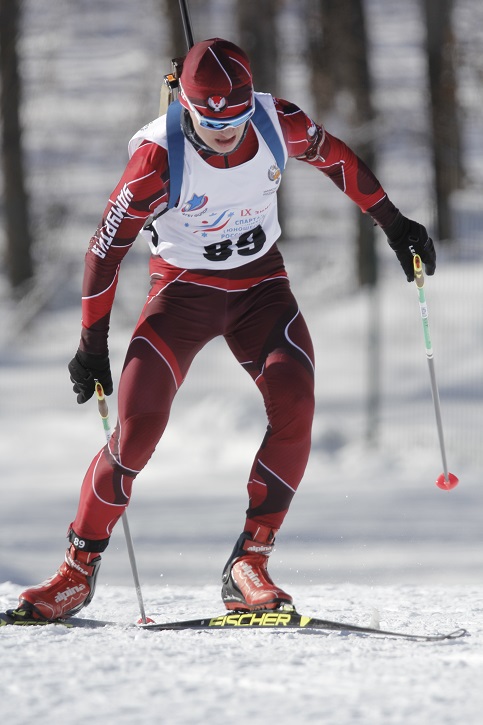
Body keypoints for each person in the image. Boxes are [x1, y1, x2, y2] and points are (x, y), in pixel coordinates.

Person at [14, 38, 435, 621]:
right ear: (185, 104)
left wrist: (394, 223)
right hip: (181, 296)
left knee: (296, 403)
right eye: (211, 122)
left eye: (236, 118)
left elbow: (336, 158)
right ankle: (76, 571)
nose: (226, 132)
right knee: (137, 429)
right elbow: (103, 252)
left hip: (261, 290)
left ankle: (249, 563)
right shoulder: (156, 162)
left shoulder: (277, 121)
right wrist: (91, 345)